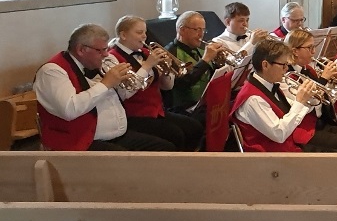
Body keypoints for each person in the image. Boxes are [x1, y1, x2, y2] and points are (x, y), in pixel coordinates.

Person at [34, 23, 173, 151]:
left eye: (106, 49)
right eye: (100, 50)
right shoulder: (52, 71)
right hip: (79, 143)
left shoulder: (98, 64)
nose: (106, 54)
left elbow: (125, 94)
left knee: (166, 149)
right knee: (131, 163)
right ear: (81, 50)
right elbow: (70, 109)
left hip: (117, 136)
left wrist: (122, 81)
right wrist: (106, 84)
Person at [232, 38, 337, 152]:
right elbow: (279, 134)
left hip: (288, 144)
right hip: (274, 157)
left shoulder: (268, 84)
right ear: (265, 65)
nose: (286, 69)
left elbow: (292, 111)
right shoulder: (253, 99)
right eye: (283, 65)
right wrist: (300, 102)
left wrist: (308, 99)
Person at [105, 15, 203, 151]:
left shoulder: (145, 52)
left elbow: (167, 87)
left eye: (145, 32)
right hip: (135, 115)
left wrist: (167, 71)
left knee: (194, 127)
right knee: (176, 135)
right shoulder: (112, 58)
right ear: (123, 35)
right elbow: (126, 93)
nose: (144, 36)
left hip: (156, 110)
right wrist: (148, 65)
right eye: (139, 33)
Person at [165, 10, 227, 121]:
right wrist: (206, 59)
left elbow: (211, 77)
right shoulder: (169, 53)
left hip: (204, 103)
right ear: (182, 30)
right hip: (184, 108)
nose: (201, 34)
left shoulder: (200, 49)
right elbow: (183, 83)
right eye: (197, 29)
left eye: (203, 30)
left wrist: (219, 64)